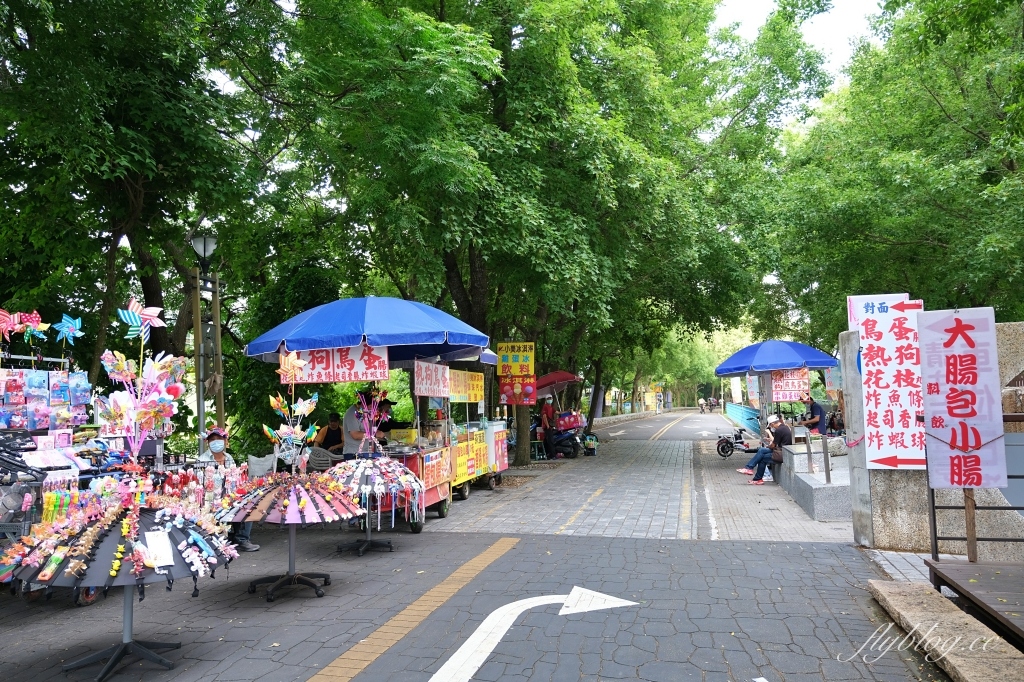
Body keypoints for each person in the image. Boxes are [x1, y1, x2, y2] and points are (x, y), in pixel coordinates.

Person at [199, 428, 260, 551]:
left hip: (230, 494)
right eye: (212, 440)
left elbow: (234, 477)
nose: (216, 442)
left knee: (248, 504)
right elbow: (200, 483)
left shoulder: (228, 457)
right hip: (211, 497)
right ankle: (221, 539)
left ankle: (242, 538)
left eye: (219, 439)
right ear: (208, 442)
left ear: (225, 441)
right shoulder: (202, 460)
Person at [736, 414, 793, 485]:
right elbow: (778, 442)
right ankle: (749, 469)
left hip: (782, 454)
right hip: (783, 451)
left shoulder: (778, 430)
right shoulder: (785, 427)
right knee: (762, 450)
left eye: (771, 426)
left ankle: (756, 477)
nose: (771, 427)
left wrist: (768, 446)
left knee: (762, 458)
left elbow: (773, 445)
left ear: (772, 423)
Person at [342, 392, 384, 459]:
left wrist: (378, 433)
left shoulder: (366, 413)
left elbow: (369, 430)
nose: (372, 409)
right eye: (371, 406)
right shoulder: (353, 412)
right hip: (354, 454)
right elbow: (355, 435)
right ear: (364, 404)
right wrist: (375, 434)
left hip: (367, 452)